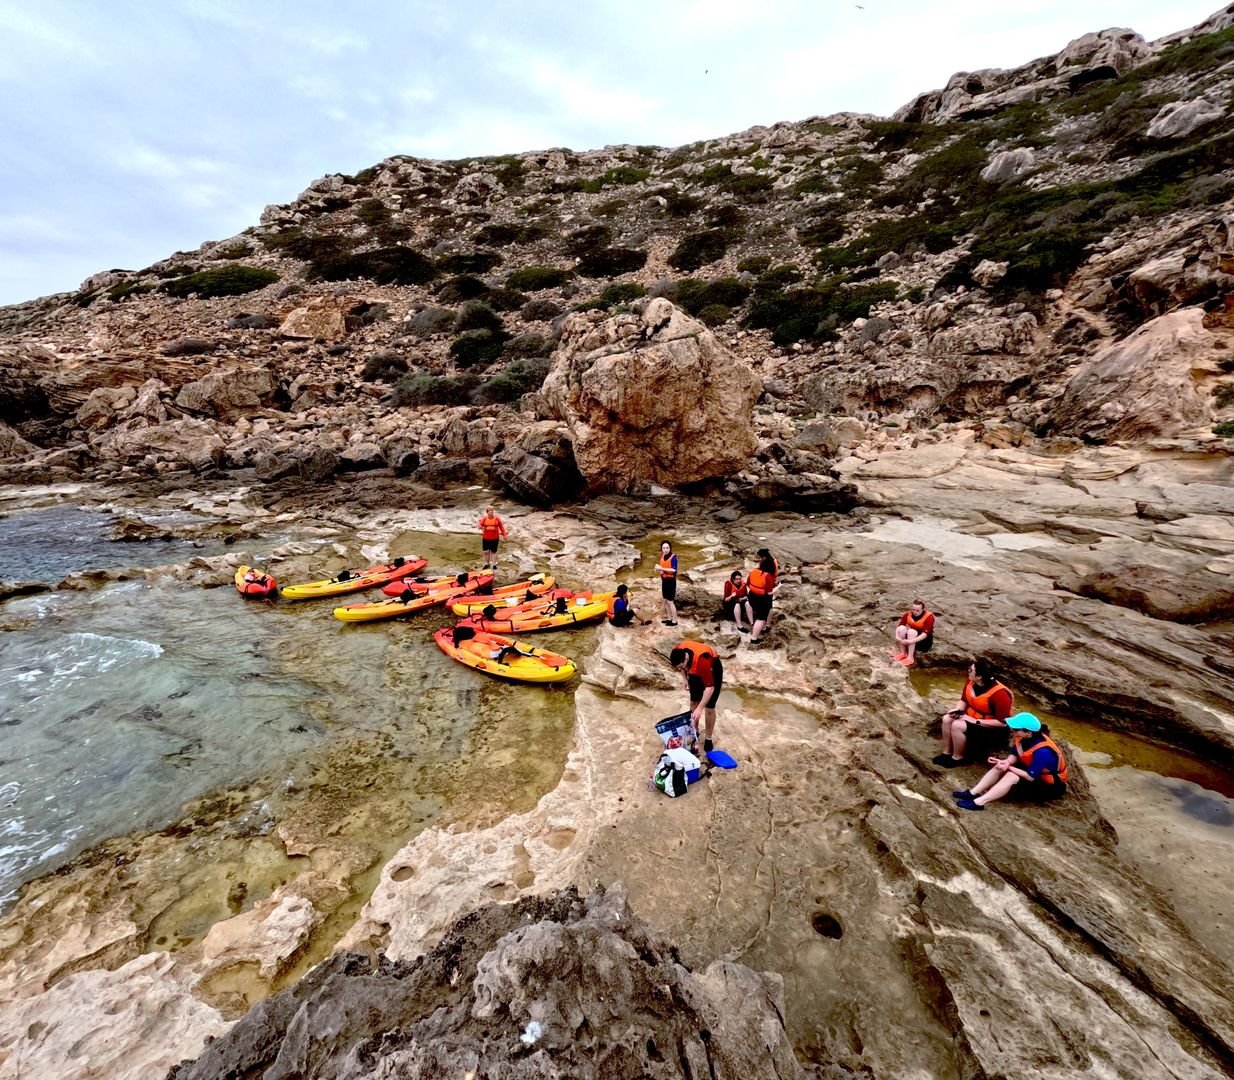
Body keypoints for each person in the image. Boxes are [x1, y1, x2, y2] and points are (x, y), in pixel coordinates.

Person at [953, 713, 1069, 811]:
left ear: (1028, 732)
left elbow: (1030, 777)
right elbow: (1015, 753)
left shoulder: (1043, 751)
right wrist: (1007, 762)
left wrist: (1008, 768)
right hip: (1034, 772)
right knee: (1000, 766)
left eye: (1015, 729)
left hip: (1050, 787)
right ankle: (973, 793)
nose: (1011, 730)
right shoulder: (1023, 737)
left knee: (1011, 775)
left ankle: (979, 803)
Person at [933, 659, 1014, 768]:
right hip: (971, 718)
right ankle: (947, 752)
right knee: (947, 719)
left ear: (979, 676)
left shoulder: (1000, 695)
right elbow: (964, 700)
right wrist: (958, 710)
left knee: (957, 725)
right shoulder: (971, 682)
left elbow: (1003, 723)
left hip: (992, 728)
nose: (968, 671)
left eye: (971, 670)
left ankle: (958, 757)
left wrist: (975, 721)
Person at [669, 639, 723, 754]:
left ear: (686, 659)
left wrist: (700, 708)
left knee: (709, 707)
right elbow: (682, 667)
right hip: (694, 672)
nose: (681, 669)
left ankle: (708, 738)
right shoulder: (679, 651)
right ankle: (695, 731)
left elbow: (710, 688)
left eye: (682, 666)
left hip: (712, 670)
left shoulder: (702, 661)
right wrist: (685, 679)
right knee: (694, 702)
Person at [746, 552, 779, 644]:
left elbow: (748, 584)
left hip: (752, 596)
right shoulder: (767, 575)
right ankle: (754, 638)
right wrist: (778, 587)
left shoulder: (753, 571)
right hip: (763, 599)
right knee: (761, 619)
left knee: (761, 615)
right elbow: (769, 592)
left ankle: (764, 627)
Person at [892, 599, 935, 667]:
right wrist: (897, 636)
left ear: (922, 609)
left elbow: (924, 634)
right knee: (902, 628)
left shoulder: (929, 617)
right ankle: (903, 653)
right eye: (913, 609)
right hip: (911, 638)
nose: (915, 612)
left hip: (924, 642)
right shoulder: (908, 615)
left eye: (917, 610)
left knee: (911, 631)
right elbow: (899, 626)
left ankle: (910, 658)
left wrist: (910, 641)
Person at [477, 506, 507, 570]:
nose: (491, 512)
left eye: (492, 510)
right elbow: (480, 524)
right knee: (486, 552)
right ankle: (487, 564)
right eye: (489, 511)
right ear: (487, 512)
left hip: (495, 538)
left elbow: (501, 527)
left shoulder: (497, 518)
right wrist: (480, 526)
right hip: (486, 538)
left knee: (493, 551)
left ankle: (493, 564)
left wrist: (504, 535)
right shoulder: (484, 518)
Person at [657, 541, 678, 626]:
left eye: (667, 548)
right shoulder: (662, 556)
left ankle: (674, 620)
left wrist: (662, 568)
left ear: (670, 548)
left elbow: (674, 570)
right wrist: (659, 570)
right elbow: (662, 569)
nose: (666, 550)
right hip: (664, 581)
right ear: (662, 549)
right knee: (665, 600)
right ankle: (669, 618)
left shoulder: (673, 557)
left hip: (671, 581)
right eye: (664, 548)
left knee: (670, 601)